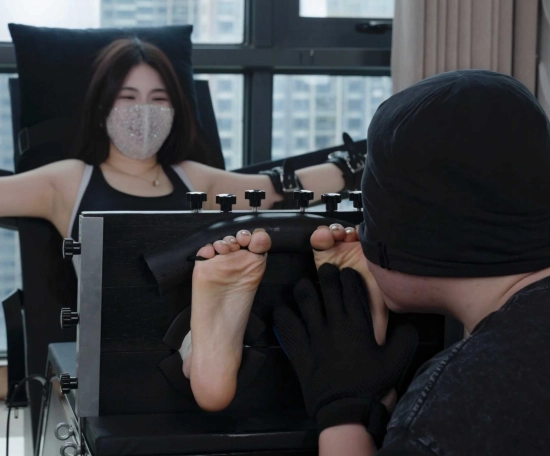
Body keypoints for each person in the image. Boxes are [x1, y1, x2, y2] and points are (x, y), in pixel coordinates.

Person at [0, 38, 363, 412]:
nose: (143, 111)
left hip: (192, 323)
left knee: (258, 276)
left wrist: (369, 158)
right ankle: (208, 354)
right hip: (116, 346)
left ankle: (212, 343)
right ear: (102, 106)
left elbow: (280, 187)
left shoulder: (194, 176)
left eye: (158, 98)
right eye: (128, 97)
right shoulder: (67, 181)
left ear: (176, 109)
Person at [194, 70, 550, 455]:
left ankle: (191, 351)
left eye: (369, 216)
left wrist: (342, 412)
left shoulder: (455, 408)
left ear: (412, 238)